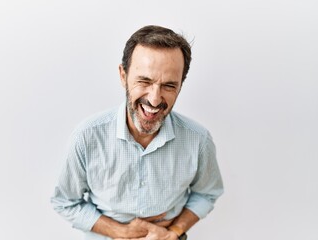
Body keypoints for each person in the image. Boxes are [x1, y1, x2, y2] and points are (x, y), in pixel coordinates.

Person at [51, 25, 224, 240]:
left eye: (169, 85)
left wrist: (174, 232)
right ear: (123, 75)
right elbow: (64, 201)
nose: (154, 99)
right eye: (144, 81)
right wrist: (121, 232)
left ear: (181, 85)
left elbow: (207, 193)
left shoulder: (198, 140)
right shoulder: (86, 137)